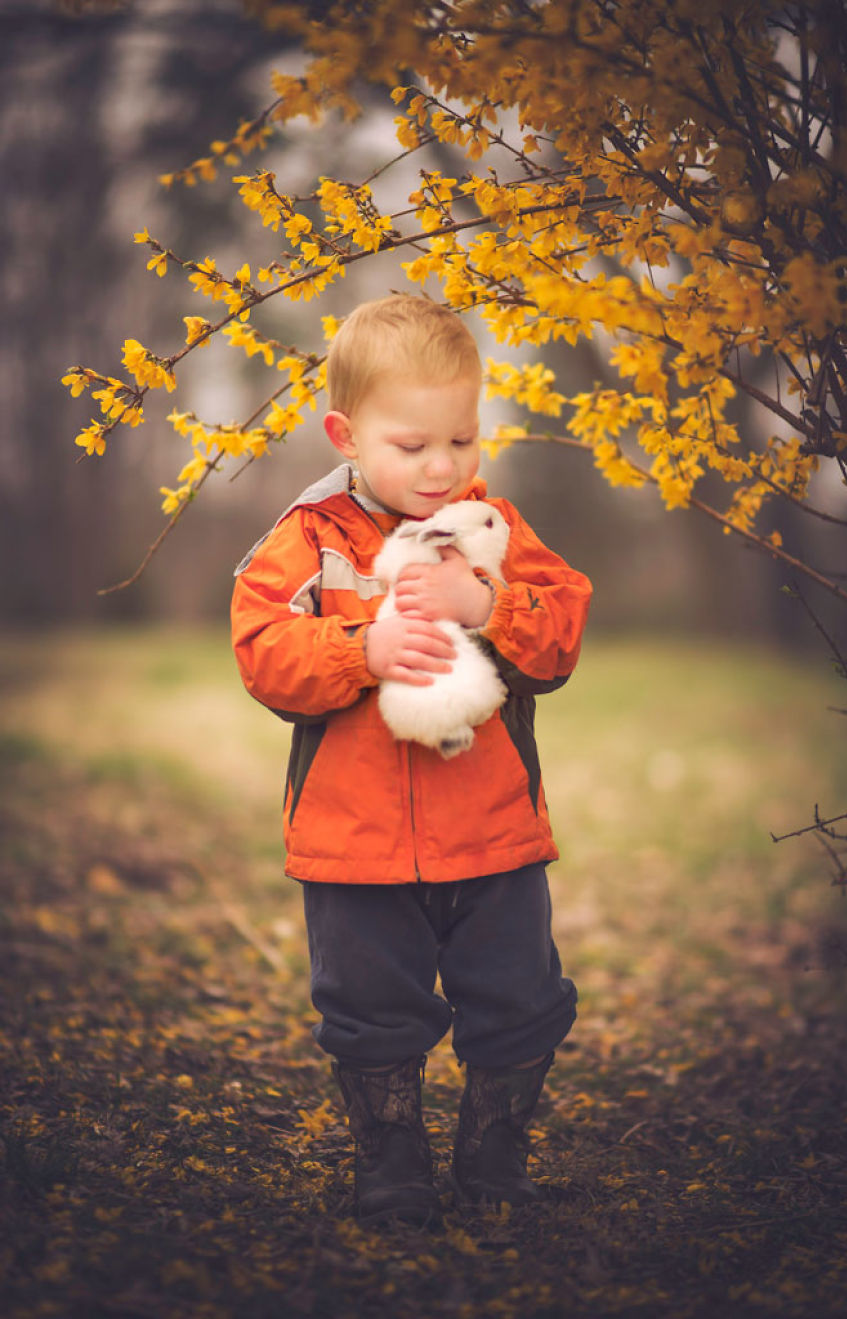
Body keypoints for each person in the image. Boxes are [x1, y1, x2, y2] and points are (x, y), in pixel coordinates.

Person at [231, 294, 592, 1225]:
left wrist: (488, 606)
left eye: (462, 439)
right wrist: (362, 649)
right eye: (413, 444)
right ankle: (391, 1157)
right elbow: (262, 651)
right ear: (346, 435)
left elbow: (561, 635)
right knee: (368, 1006)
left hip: (493, 832)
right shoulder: (309, 537)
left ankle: (494, 1150)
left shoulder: (493, 531)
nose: (443, 466)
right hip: (354, 843)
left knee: (519, 997)